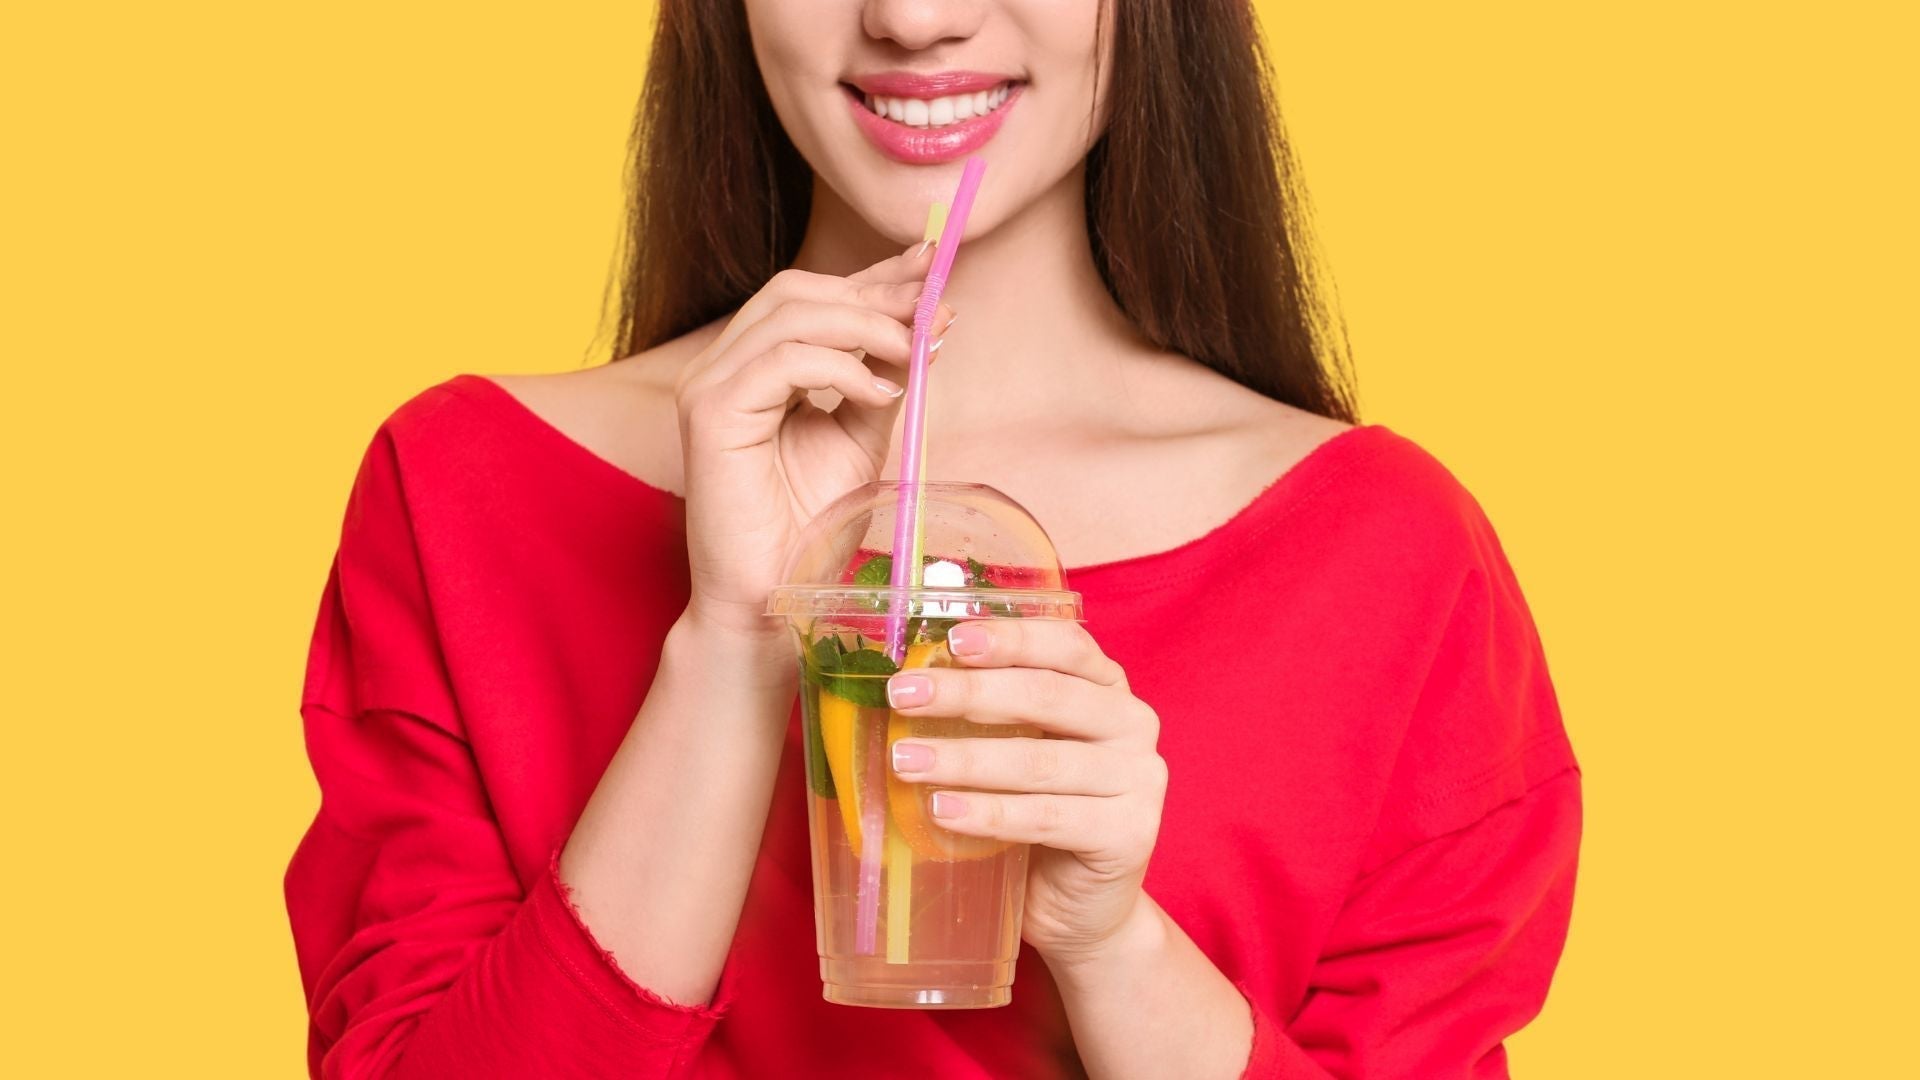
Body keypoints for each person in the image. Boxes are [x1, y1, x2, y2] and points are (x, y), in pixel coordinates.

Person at [285, 2, 1581, 1077]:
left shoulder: (1386, 559)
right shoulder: (465, 491)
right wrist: (733, 648)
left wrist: (1115, 946)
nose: (916, 17)